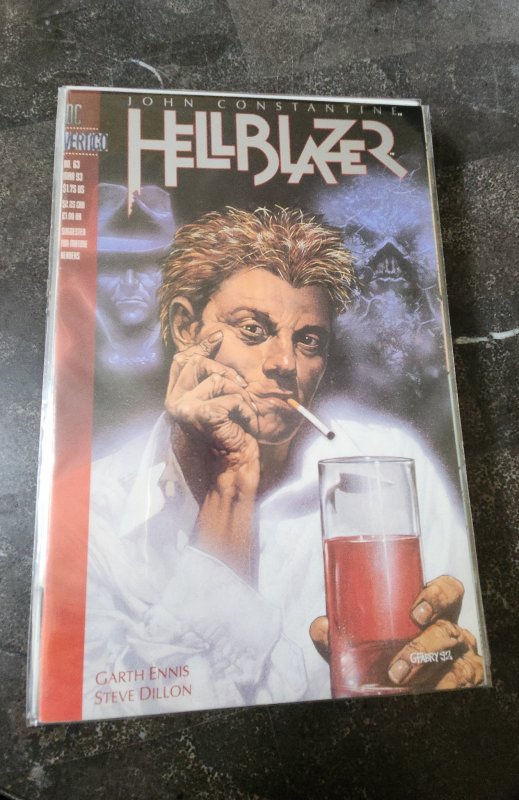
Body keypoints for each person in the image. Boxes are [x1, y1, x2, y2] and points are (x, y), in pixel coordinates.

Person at [83, 207, 484, 718]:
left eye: (308, 340)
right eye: (253, 329)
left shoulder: (388, 466)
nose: (285, 363)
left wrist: (449, 667)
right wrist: (232, 484)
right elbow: (152, 718)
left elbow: (458, 650)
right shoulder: (96, 513)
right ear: (186, 327)